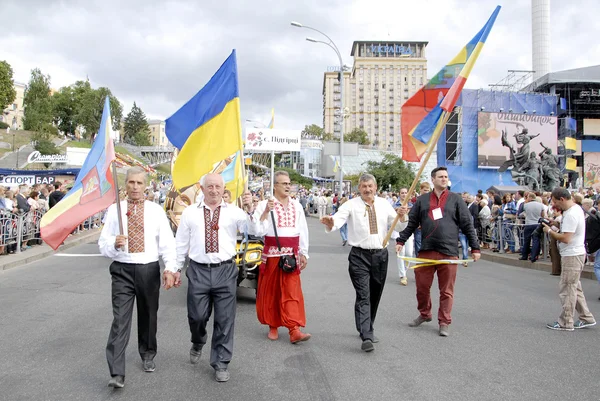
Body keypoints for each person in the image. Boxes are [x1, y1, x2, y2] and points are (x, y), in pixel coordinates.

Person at [172, 173, 257, 383]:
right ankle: (198, 340)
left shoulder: (234, 212)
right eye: (210, 186)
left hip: (225, 271)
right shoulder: (191, 213)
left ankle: (221, 362)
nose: (214, 190)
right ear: (202, 189)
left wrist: (251, 211)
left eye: (218, 187)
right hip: (198, 270)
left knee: (225, 319)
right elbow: (180, 244)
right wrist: (173, 269)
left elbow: (253, 230)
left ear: (223, 188)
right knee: (197, 317)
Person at [98, 166, 177, 389]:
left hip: (148, 270)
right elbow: (103, 244)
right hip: (122, 270)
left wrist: (170, 268)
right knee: (120, 320)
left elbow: (167, 243)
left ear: (146, 186)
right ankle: (116, 372)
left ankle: (148, 353)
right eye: (131, 182)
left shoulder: (155, 211)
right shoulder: (115, 210)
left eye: (139, 183)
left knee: (148, 316)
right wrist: (114, 244)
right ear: (125, 184)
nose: (135, 187)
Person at [320, 173, 407, 352]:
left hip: (381, 256)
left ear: (375, 187)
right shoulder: (351, 205)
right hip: (359, 256)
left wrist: (402, 216)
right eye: (364, 186)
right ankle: (366, 335)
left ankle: (365, 325)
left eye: (370, 186)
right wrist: (330, 222)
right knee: (364, 294)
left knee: (375, 294)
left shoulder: (384, 204)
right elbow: (338, 219)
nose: (367, 189)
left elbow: (398, 227)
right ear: (359, 188)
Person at [396, 167, 480, 337]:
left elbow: (467, 225)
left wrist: (475, 247)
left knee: (446, 291)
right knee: (421, 287)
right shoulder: (422, 200)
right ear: (433, 179)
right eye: (440, 176)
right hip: (426, 251)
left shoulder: (456, 200)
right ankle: (425, 314)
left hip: (448, 252)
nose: (444, 179)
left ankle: (444, 321)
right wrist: (401, 240)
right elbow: (412, 224)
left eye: (446, 177)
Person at [252, 171, 311, 345]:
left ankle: (294, 329)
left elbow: (303, 230)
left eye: (288, 183)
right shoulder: (264, 204)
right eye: (283, 183)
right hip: (272, 255)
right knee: (271, 292)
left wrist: (304, 253)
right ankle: (273, 325)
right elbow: (257, 231)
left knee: (291, 291)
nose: (287, 186)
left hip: (291, 255)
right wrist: (265, 212)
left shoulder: (297, 205)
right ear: (274, 186)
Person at [543, 188, 596, 331]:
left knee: (567, 288)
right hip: (575, 253)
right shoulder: (576, 209)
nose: (554, 206)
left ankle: (566, 321)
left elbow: (566, 238)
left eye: (555, 202)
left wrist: (550, 231)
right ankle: (586, 317)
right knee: (574, 287)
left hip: (572, 254)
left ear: (562, 199)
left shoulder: (571, 214)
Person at [520, 192, 546, 262]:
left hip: (528, 224)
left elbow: (521, 213)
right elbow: (543, 215)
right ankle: (534, 256)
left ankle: (524, 255)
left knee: (526, 241)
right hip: (537, 224)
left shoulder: (526, 205)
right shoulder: (541, 205)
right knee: (536, 240)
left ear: (530, 197)